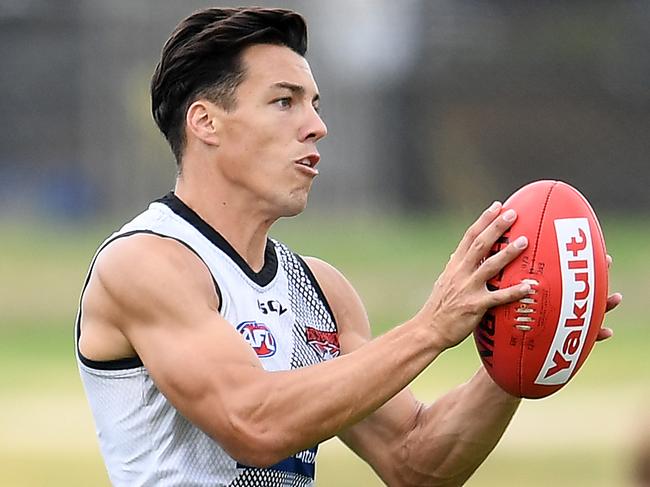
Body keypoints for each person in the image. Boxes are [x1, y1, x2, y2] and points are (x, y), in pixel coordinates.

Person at [75, 7, 621, 487]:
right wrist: (432, 326)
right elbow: (254, 424)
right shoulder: (146, 261)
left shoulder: (320, 291)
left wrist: (523, 340)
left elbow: (416, 463)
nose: (317, 126)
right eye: (284, 102)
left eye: (314, 104)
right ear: (206, 123)